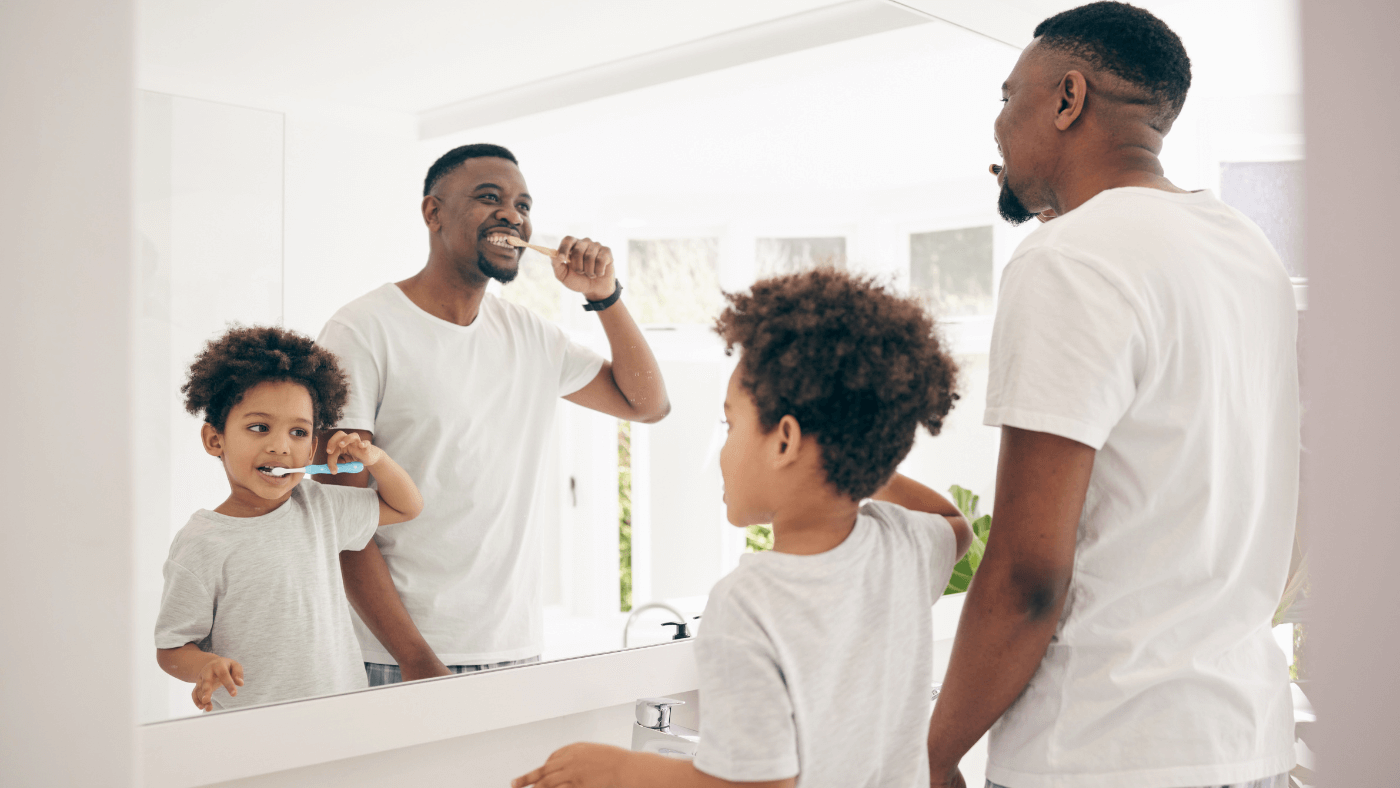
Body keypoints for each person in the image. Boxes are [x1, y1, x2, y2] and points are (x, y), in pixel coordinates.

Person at [926, 4, 1300, 788]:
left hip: (1100, 751)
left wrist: (931, 750)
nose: (997, 127)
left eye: (1007, 97)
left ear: (1067, 98)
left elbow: (1028, 575)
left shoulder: (1068, 259)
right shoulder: (1244, 249)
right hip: (1244, 740)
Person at [513, 269, 974, 788]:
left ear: (785, 442)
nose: (724, 448)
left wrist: (620, 769)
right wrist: (855, 452)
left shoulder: (750, 603)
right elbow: (954, 524)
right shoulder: (902, 546)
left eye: (730, 424)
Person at [315, 143, 670, 685]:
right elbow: (343, 519)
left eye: (523, 205)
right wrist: (415, 658)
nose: (513, 214)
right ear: (433, 213)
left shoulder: (531, 336)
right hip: (394, 656)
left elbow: (647, 404)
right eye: (489, 198)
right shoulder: (362, 330)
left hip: (516, 648)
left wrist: (604, 296)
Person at [154, 326, 424, 712]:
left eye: (298, 432)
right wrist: (206, 665)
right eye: (259, 427)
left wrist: (374, 458)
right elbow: (171, 647)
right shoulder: (201, 543)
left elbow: (407, 506)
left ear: (313, 446)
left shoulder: (319, 506)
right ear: (216, 439)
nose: (280, 445)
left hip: (343, 718)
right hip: (256, 734)